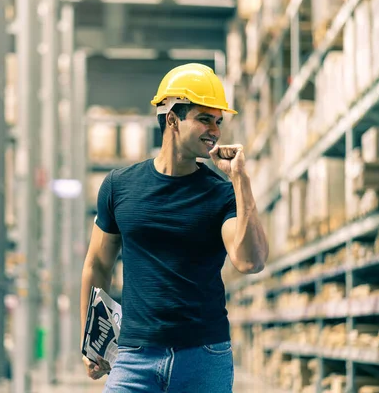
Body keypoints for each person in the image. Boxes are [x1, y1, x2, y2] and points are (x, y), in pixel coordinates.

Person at [80, 63, 269, 392]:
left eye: (219, 121)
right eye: (204, 118)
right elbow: (97, 264)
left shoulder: (221, 193)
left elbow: (249, 261)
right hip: (134, 357)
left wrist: (240, 179)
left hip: (203, 356)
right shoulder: (119, 186)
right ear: (172, 119)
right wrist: (92, 343)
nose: (215, 130)